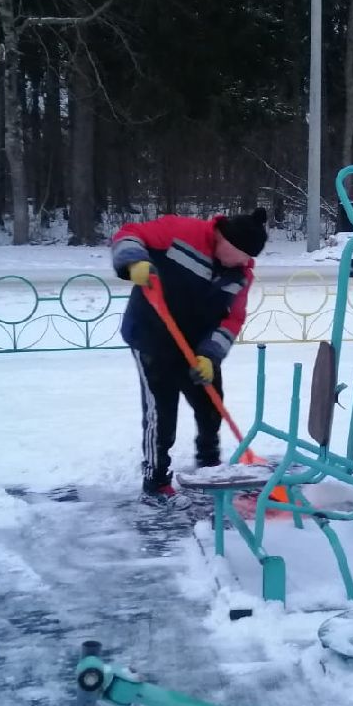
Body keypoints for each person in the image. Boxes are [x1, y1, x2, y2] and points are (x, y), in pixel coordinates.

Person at [111, 206, 269, 505]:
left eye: (248, 258)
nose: (244, 262)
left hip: (197, 345)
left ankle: (209, 465)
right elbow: (129, 234)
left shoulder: (240, 276)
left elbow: (231, 321)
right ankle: (156, 480)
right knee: (162, 409)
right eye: (241, 254)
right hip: (151, 334)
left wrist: (210, 356)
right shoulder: (182, 232)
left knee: (211, 403)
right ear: (224, 239)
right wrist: (134, 262)